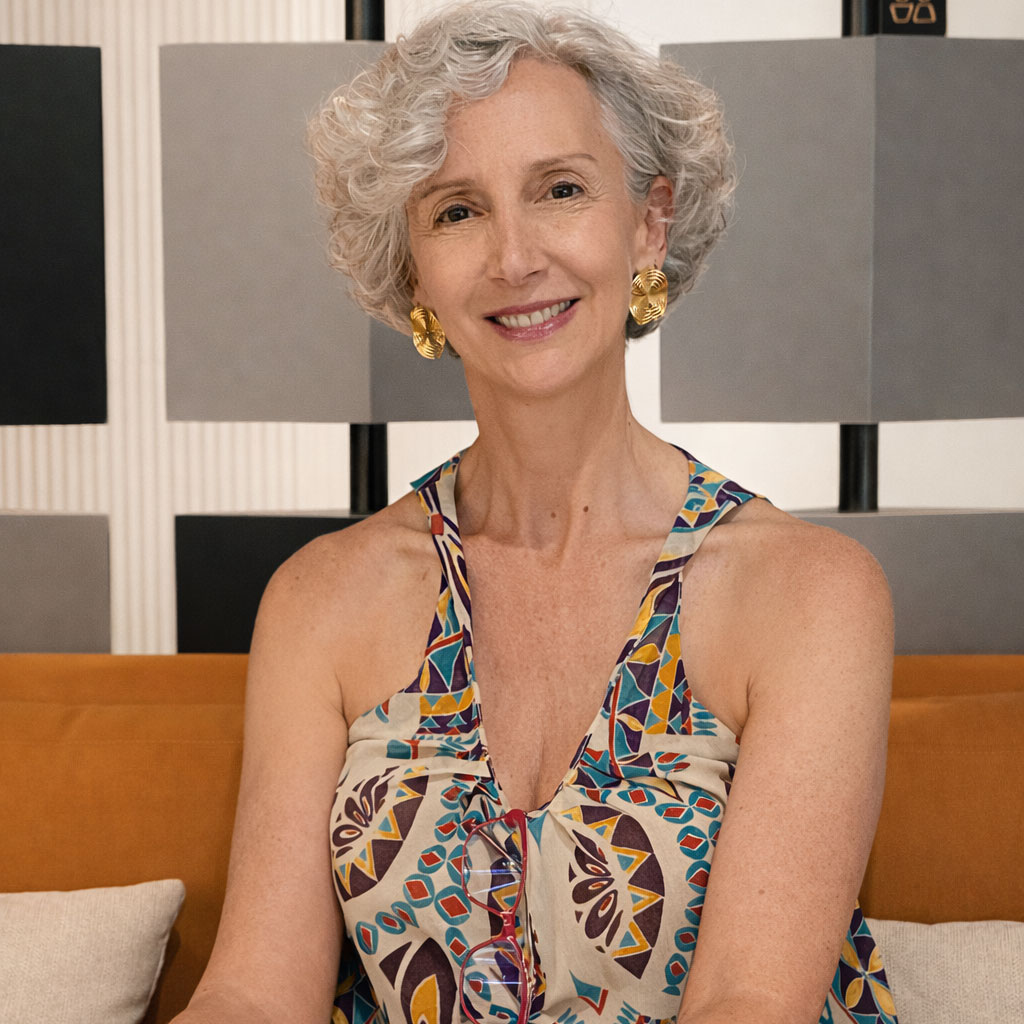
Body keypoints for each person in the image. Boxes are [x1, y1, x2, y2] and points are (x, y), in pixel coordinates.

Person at [174, 3, 897, 1023]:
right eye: (456, 211)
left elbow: (748, 1002)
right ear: (412, 269)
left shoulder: (811, 593)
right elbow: (253, 993)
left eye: (560, 189)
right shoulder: (318, 600)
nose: (513, 257)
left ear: (647, 223)